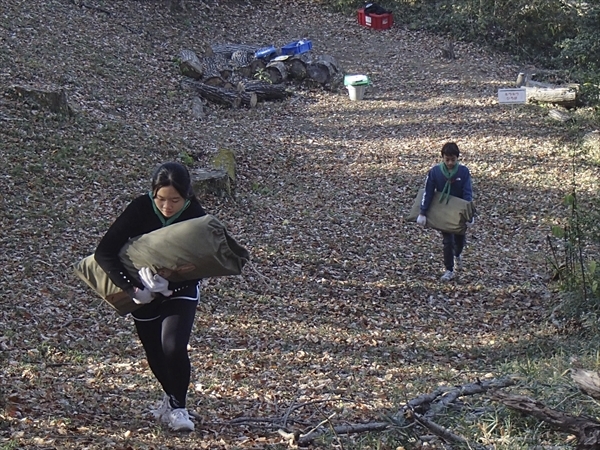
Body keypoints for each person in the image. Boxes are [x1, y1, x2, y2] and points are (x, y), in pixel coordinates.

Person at [94, 162, 206, 432]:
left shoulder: (195, 214)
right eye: (161, 199)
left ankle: (179, 409)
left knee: (173, 346)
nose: (167, 206)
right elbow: (104, 252)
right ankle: (169, 398)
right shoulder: (140, 208)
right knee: (154, 349)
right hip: (140, 288)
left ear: (187, 196)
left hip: (179, 288)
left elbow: (205, 262)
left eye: (175, 200)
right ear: (152, 193)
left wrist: (171, 287)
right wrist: (133, 289)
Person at [417, 142, 474, 282]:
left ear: (457, 158)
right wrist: (423, 212)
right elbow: (428, 191)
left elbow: (468, 192)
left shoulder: (463, 172)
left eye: (452, 160)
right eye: (447, 159)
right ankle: (449, 269)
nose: (449, 163)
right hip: (444, 210)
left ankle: (458, 253)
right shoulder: (435, 172)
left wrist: (469, 214)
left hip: (459, 211)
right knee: (447, 240)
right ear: (442, 158)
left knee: (459, 239)